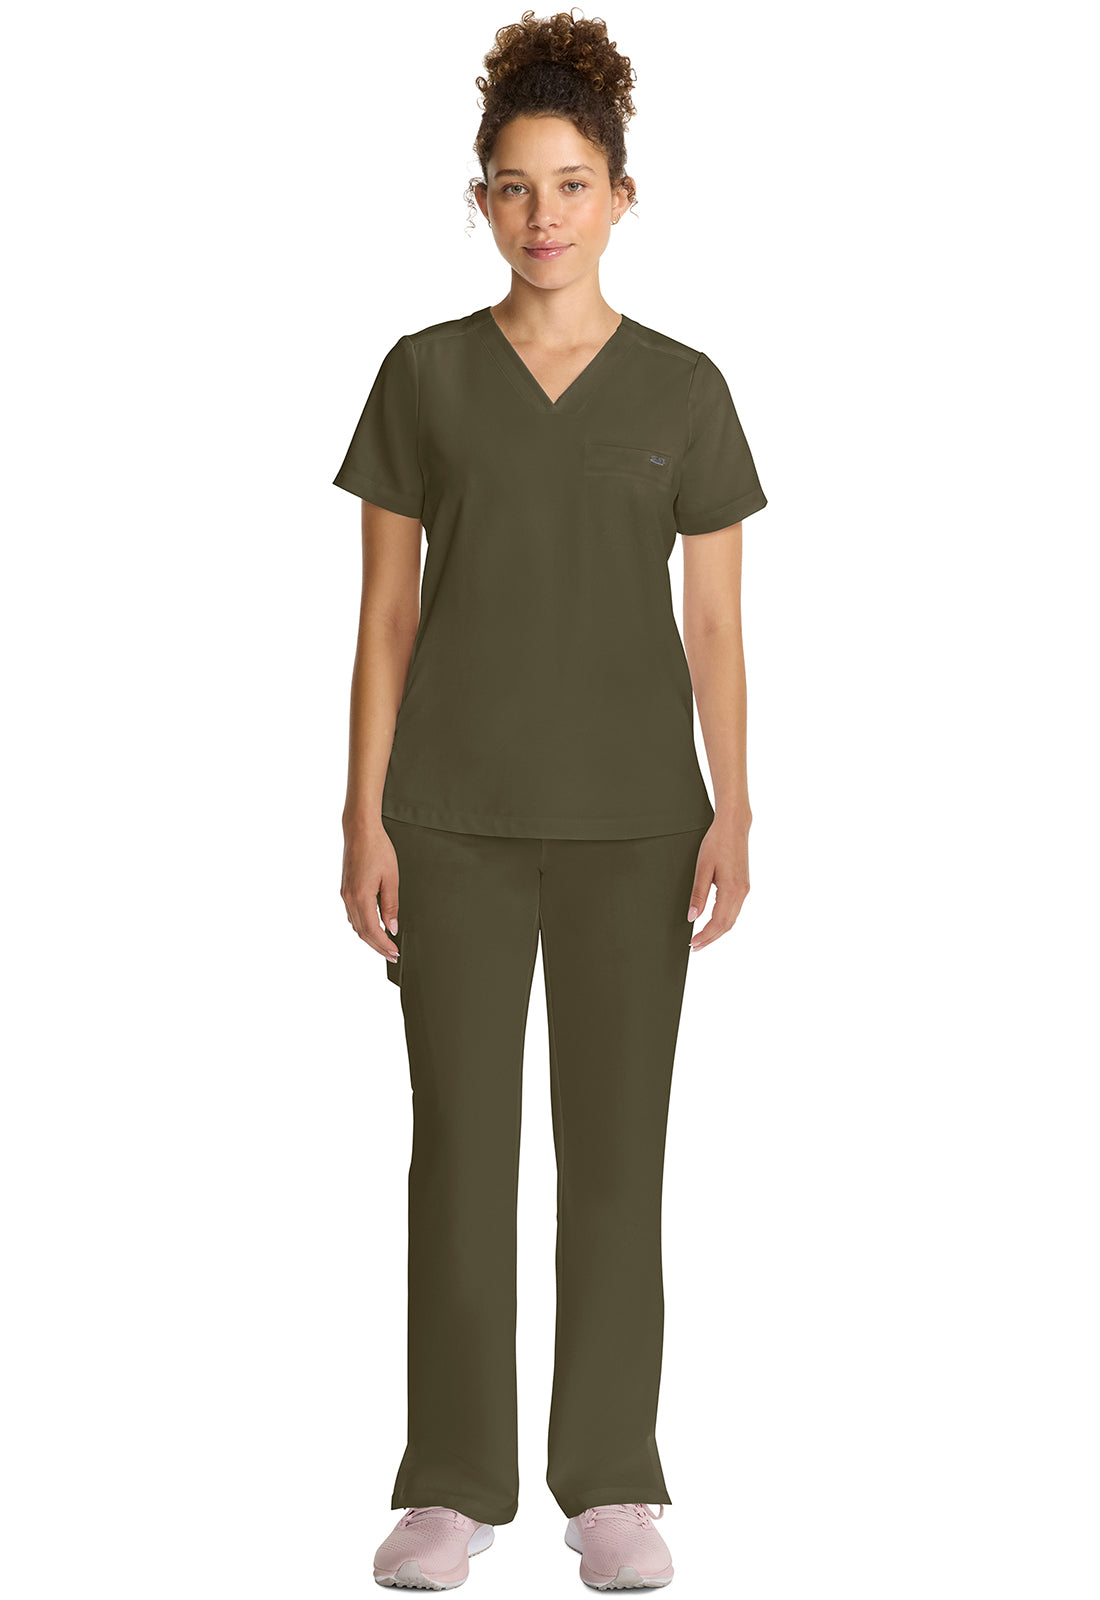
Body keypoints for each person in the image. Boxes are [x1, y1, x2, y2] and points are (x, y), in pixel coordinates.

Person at [333, 11, 767, 1591]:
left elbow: (714, 622)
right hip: (446, 816)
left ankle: (612, 1483)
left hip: (637, 823)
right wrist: (361, 815)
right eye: (513, 186)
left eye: (572, 183)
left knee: (615, 1157)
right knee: (458, 1155)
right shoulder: (425, 377)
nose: (543, 214)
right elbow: (387, 616)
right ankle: (451, 1484)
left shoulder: (685, 391)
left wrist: (735, 808)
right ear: (481, 199)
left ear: (622, 196)